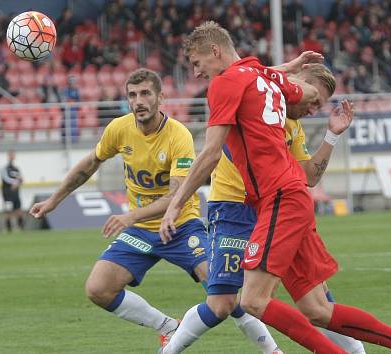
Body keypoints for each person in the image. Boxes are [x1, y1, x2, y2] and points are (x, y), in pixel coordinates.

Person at [161, 21, 391, 354]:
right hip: (287, 198)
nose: (196, 72)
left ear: (215, 51)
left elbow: (210, 152)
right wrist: (288, 71)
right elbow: (289, 87)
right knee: (317, 309)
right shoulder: (260, 76)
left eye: (197, 62)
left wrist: (176, 204)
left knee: (252, 300)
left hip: (278, 198)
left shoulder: (228, 83)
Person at [29, 68, 282, 353]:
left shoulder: (178, 136)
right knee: (98, 289)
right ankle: (166, 326)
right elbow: (89, 164)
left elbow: (176, 196)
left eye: (146, 94)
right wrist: (54, 200)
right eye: (132, 95)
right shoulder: (119, 129)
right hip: (141, 232)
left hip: (181, 225)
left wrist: (129, 216)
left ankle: (271, 350)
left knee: (224, 292)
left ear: (161, 97)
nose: (138, 101)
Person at [162, 63, 365, 354]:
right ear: (296, 82)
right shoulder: (251, 99)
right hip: (234, 208)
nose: (312, 108)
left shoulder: (290, 122)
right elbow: (241, 72)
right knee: (223, 302)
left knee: (316, 299)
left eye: (318, 105)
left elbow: (308, 175)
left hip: (277, 207)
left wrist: (332, 136)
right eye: (312, 99)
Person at [1, 150, 24, 232]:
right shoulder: (4, 168)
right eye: (10, 155)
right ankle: (9, 229)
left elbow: (21, 179)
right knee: (8, 211)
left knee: (19, 210)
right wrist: (15, 182)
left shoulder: (16, 169)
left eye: (13, 155)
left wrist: (19, 181)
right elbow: (6, 179)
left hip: (16, 193)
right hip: (7, 193)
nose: (12, 157)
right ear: (8, 156)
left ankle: (21, 227)